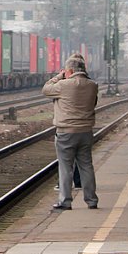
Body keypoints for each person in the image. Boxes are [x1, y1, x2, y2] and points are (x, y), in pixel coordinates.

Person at [42, 54, 99, 210]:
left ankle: (65, 201)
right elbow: (93, 103)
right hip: (86, 132)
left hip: (66, 132)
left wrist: (59, 76)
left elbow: (46, 89)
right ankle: (91, 200)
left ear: (70, 70)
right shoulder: (93, 85)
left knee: (66, 167)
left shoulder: (63, 85)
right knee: (86, 166)